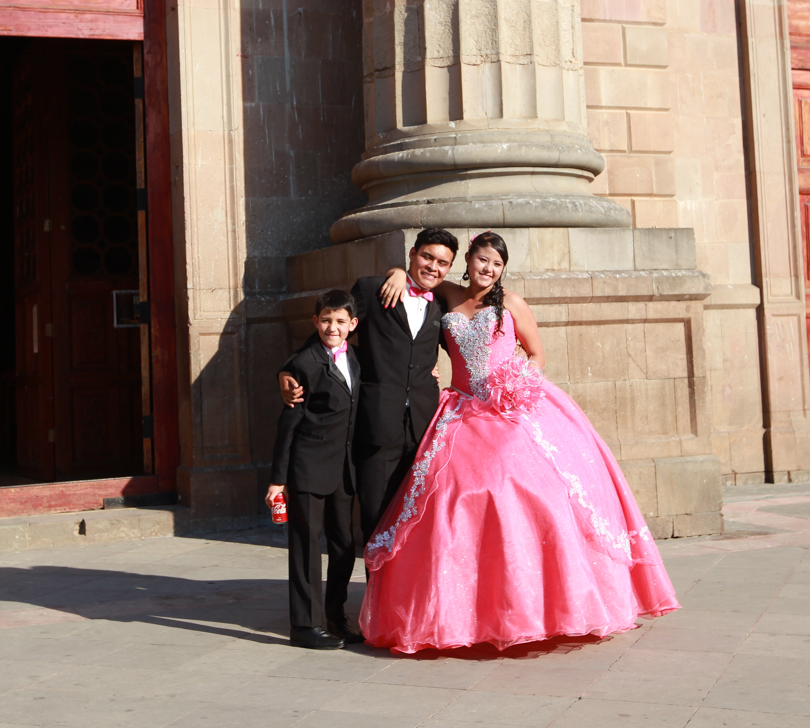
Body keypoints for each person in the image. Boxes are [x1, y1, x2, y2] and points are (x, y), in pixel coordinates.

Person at [360, 231, 680, 654]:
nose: (488, 269)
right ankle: (460, 606)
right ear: (468, 261)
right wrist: (397, 271)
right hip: (459, 412)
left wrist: (514, 384)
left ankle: (537, 603)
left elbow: (536, 355)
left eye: (496, 264)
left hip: (512, 410)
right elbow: (421, 283)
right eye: (482, 261)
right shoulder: (449, 295)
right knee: (449, 499)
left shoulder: (511, 303)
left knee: (527, 491)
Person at [279, 228, 457, 545]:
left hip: (423, 424)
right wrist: (291, 368)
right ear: (413, 253)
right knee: (375, 517)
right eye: (427, 256)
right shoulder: (374, 290)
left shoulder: (442, 305)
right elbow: (333, 329)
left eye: (442, 263)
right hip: (376, 422)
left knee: (417, 517)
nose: (433, 267)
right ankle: (376, 593)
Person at [268, 290, 362, 650]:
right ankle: (304, 625)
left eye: (340, 321)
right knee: (306, 546)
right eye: (325, 320)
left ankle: (336, 617)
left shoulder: (355, 358)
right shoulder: (303, 364)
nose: (332, 327)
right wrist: (278, 479)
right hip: (307, 469)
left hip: (343, 469)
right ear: (314, 322)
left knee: (343, 544)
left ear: (353, 325)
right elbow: (288, 423)